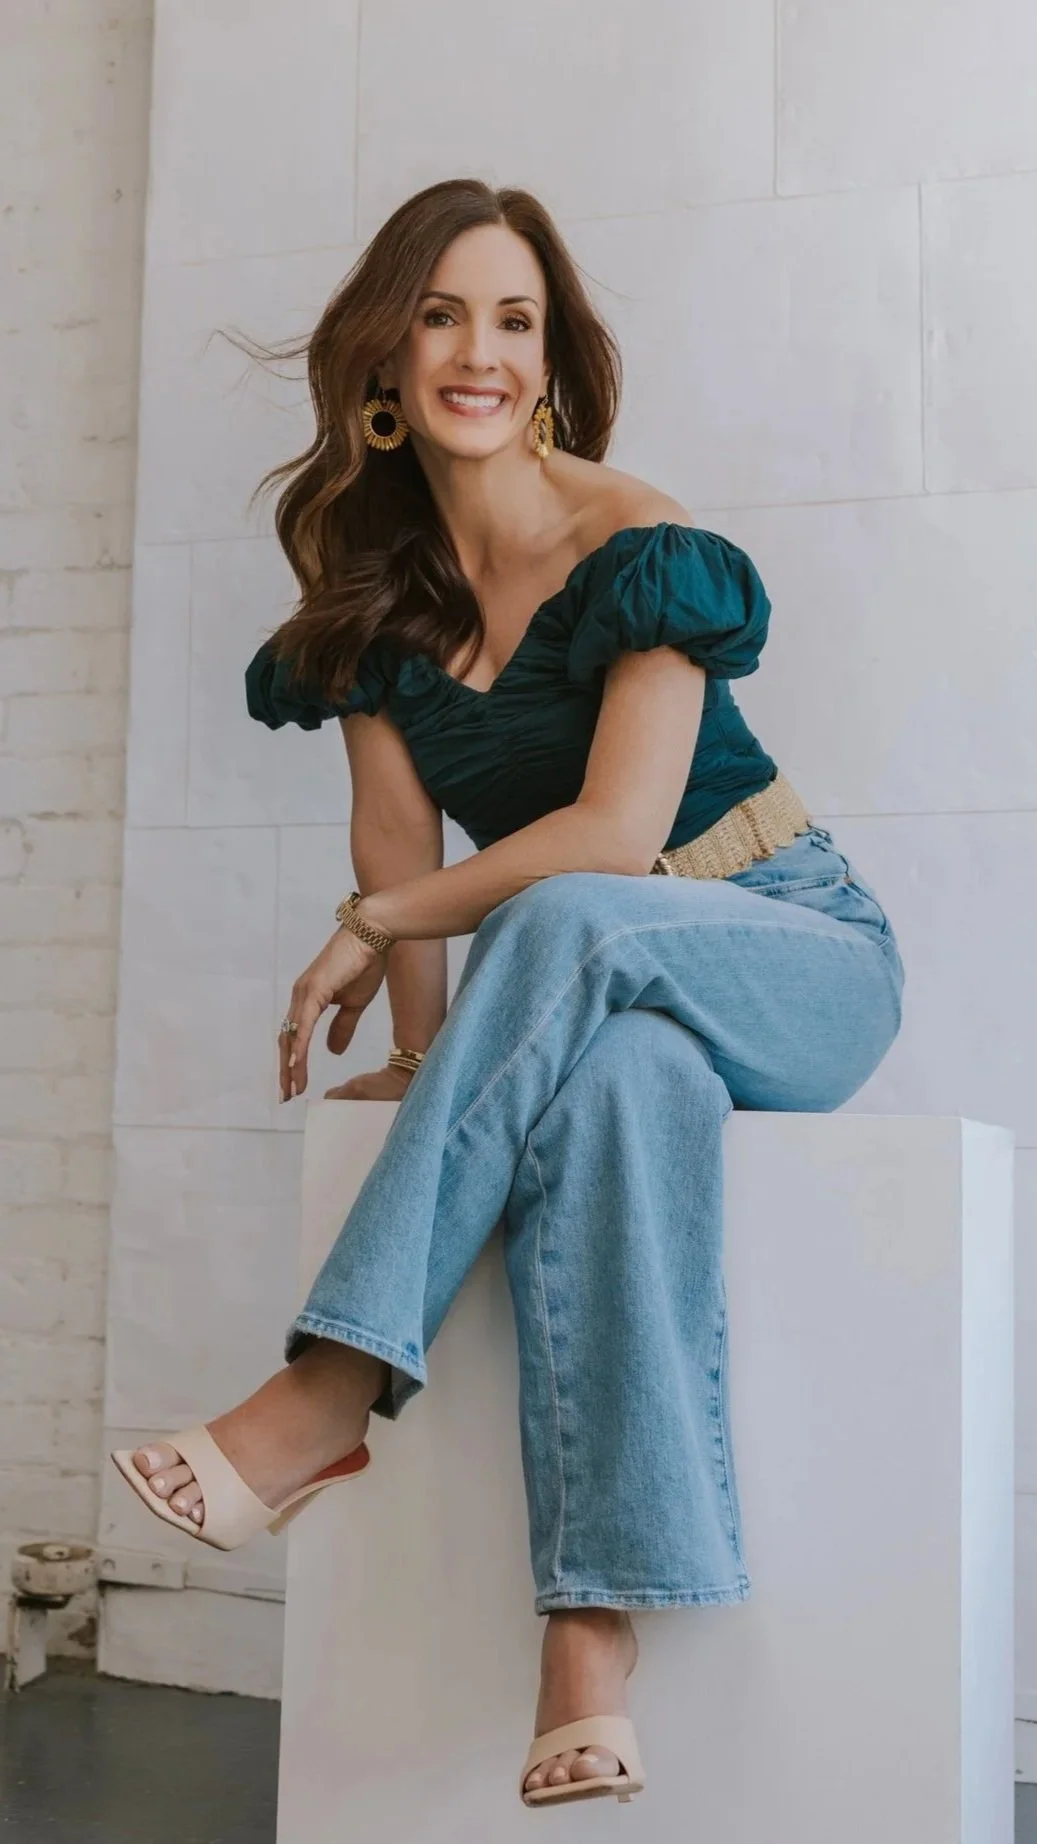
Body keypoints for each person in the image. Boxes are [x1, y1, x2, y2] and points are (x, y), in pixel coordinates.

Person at [110, 177, 905, 1809]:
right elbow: (397, 850)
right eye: (444, 314)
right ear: (385, 363)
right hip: (615, 1002)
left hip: (793, 945)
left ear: (550, 363)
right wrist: (424, 1047)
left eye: (516, 319)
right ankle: (592, 1649)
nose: (481, 350)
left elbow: (613, 838)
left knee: (567, 910)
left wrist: (379, 921)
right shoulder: (371, 607)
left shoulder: (638, 547)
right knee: (618, 1096)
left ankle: (327, 1392)